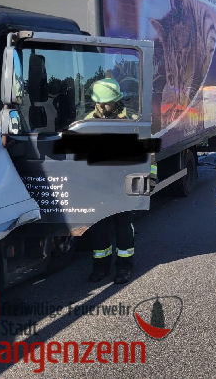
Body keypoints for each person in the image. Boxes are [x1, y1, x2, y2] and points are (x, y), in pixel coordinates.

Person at [85, 78, 137, 284]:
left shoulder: (132, 120)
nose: (101, 106)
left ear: (116, 101)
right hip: (97, 184)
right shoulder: (87, 122)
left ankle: (124, 267)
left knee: (123, 227)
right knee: (98, 228)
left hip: (121, 182)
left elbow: (146, 152)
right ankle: (100, 267)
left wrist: (147, 177)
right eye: (99, 102)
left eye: (105, 102)